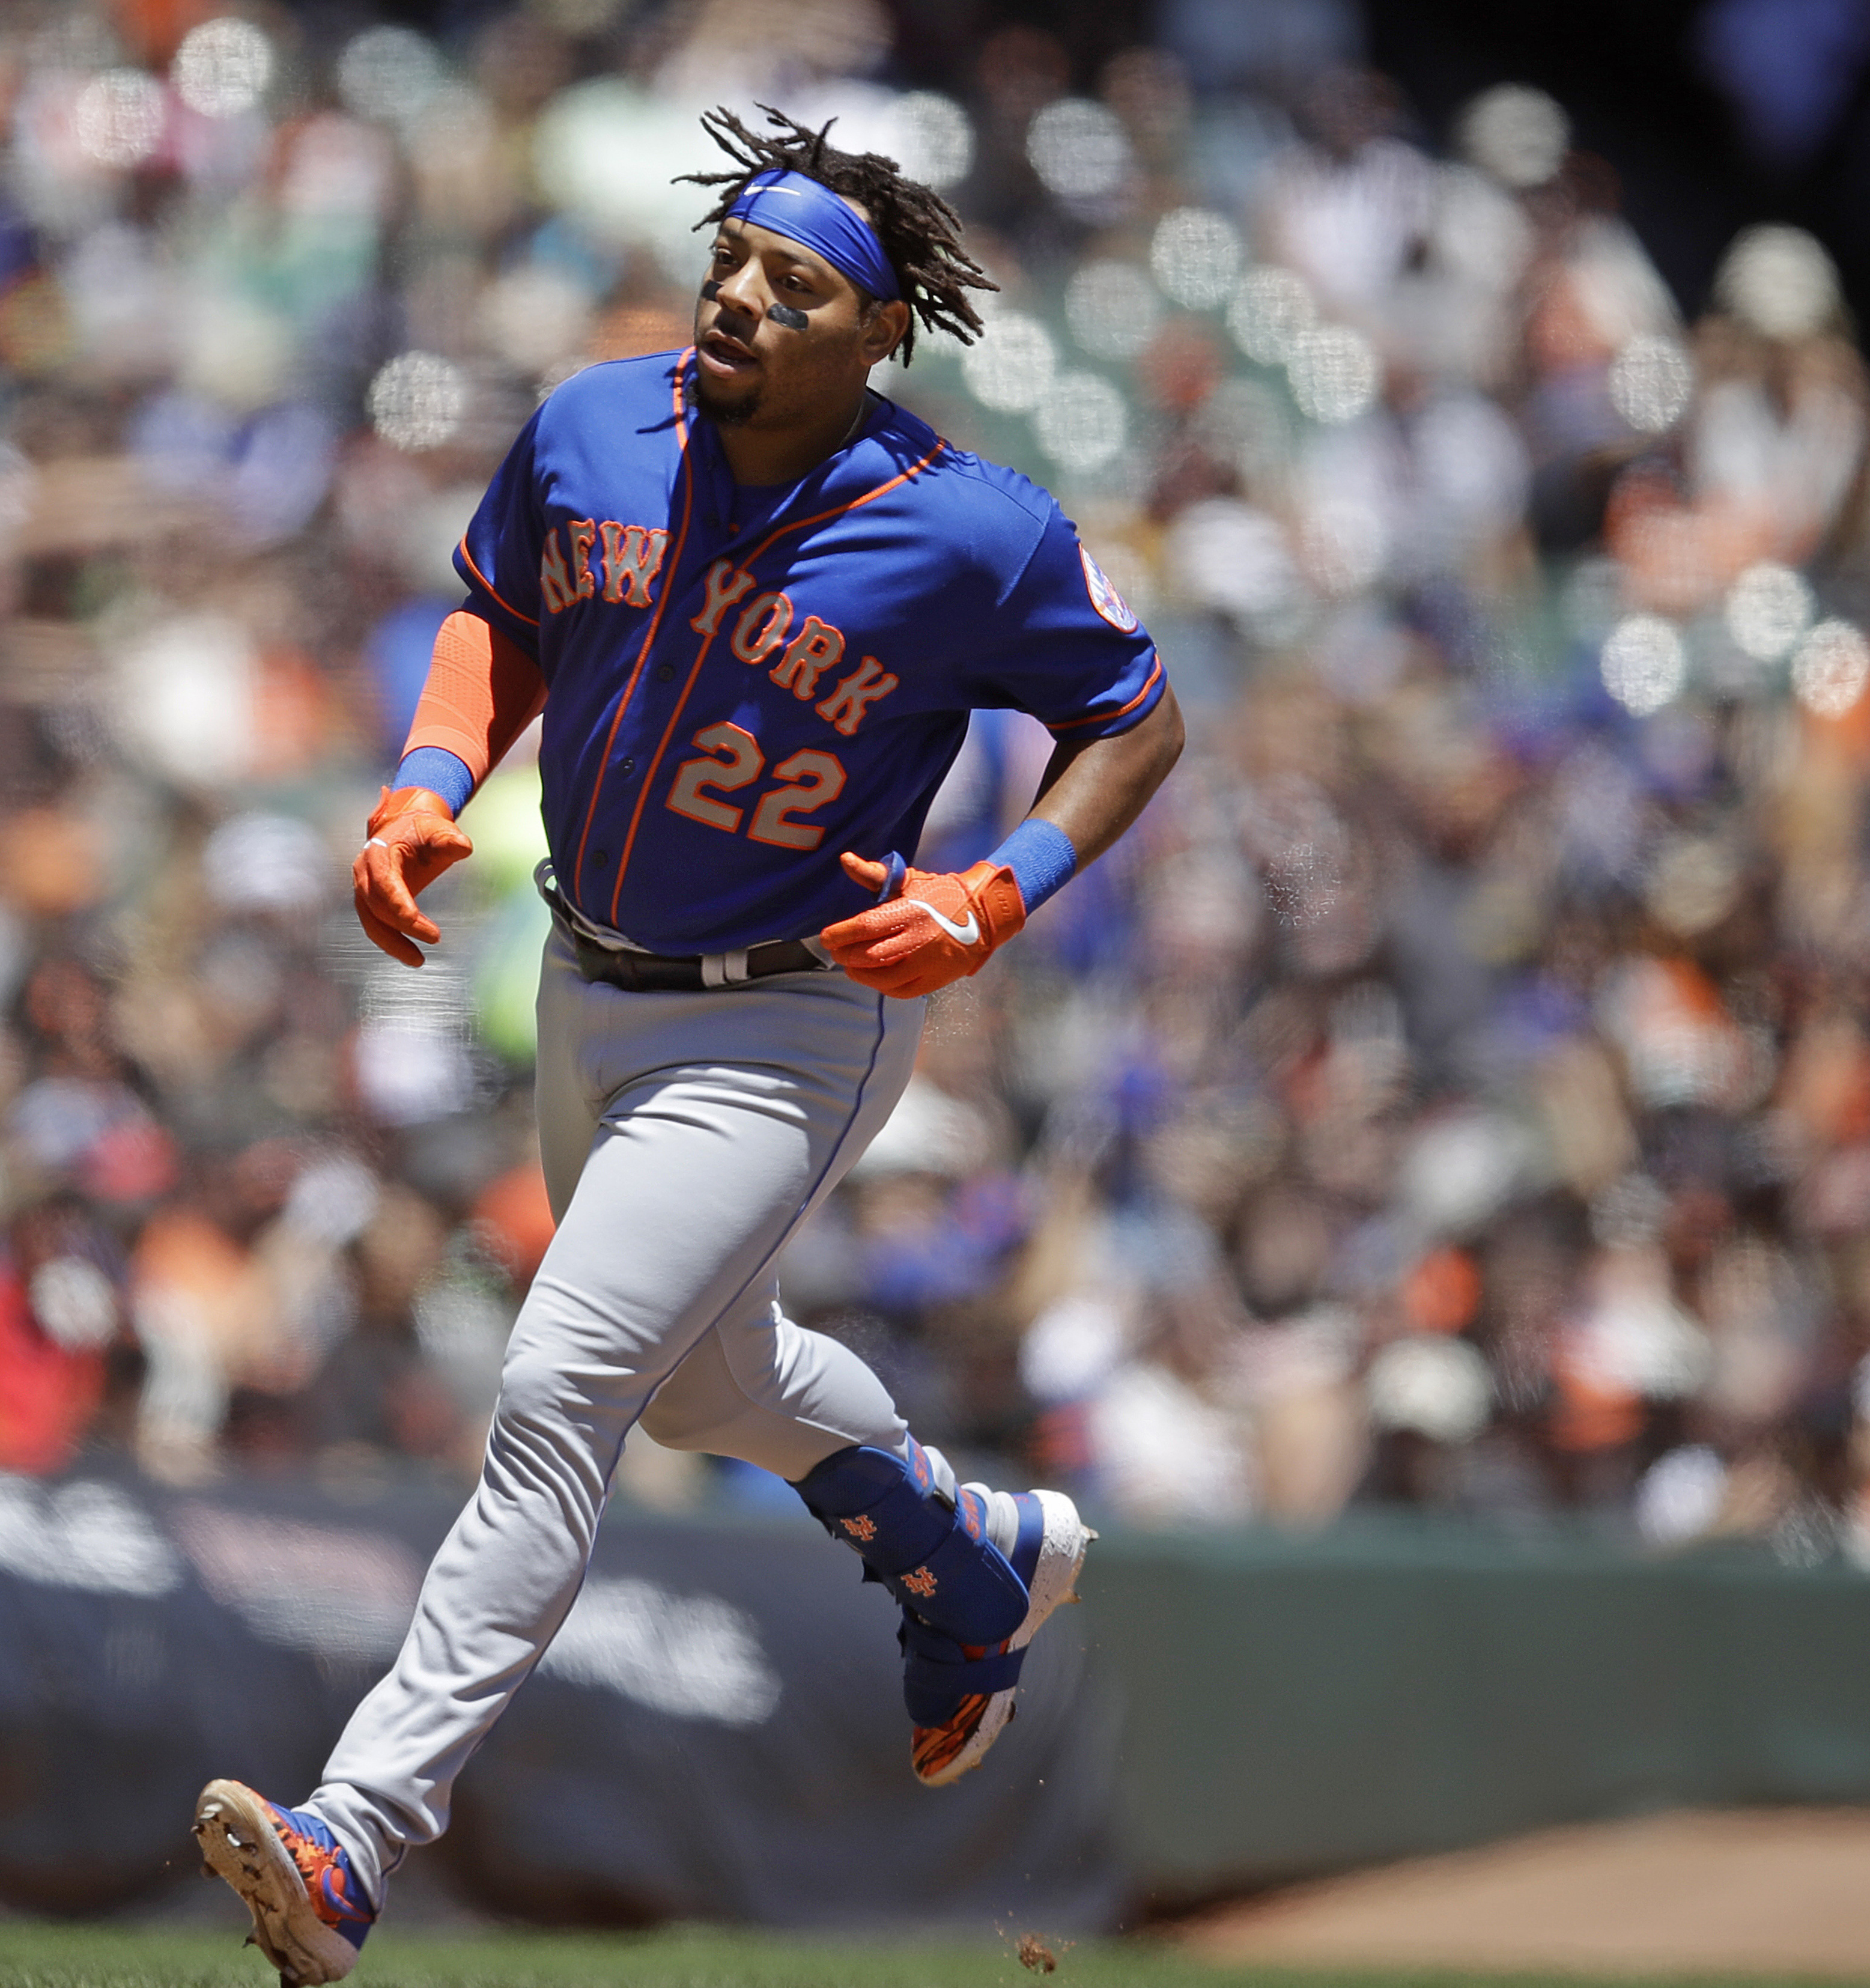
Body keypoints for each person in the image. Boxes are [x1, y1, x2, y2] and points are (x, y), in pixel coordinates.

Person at [195, 107, 1183, 1984]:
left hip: (787, 1019)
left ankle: (351, 1840)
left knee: (563, 1381)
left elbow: (1135, 721)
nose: (735, 293)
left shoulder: (969, 527)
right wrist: (424, 781)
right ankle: (961, 1559)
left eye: (790, 282)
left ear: (878, 332)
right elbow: (495, 603)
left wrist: (998, 891)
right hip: (586, 971)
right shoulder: (592, 423)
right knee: (702, 1384)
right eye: (729, 254)